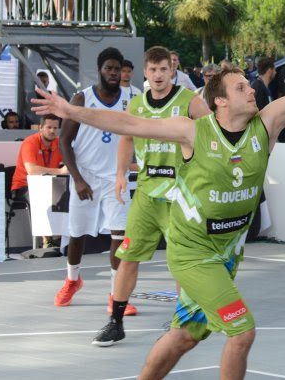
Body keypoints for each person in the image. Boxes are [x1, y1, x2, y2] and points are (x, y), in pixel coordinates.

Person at [35, 4, 285, 379]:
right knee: (242, 331)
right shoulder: (193, 131)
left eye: (249, 85)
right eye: (241, 88)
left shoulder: (265, 127)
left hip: (227, 252)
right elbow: (126, 121)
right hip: (193, 253)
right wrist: (72, 112)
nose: (251, 90)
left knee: (185, 335)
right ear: (220, 100)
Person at [91, 46, 211, 346]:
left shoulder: (190, 102)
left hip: (180, 194)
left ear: (172, 71)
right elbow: (127, 137)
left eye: (163, 69)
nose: (158, 75)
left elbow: (212, 137)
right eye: (153, 70)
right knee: (128, 256)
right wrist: (121, 173)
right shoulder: (136, 105)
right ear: (145, 72)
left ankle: (183, 322)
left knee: (180, 261)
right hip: (146, 192)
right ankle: (115, 321)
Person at [55, 48, 131, 309]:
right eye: (108, 68)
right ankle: (72, 280)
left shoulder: (132, 98)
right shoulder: (82, 99)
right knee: (77, 234)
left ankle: (115, 295)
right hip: (84, 175)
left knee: (119, 236)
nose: (112, 72)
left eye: (117, 68)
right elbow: (64, 140)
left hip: (116, 177)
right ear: (100, 70)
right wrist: (77, 179)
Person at [10, 114, 68, 198]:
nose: (52, 131)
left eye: (55, 128)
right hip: (24, 187)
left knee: (68, 194)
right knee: (47, 196)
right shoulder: (30, 142)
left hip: (48, 185)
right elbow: (32, 171)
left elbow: (71, 161)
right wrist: (60, 171)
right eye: (49, 127)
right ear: (40, 128)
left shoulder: (58, 142)